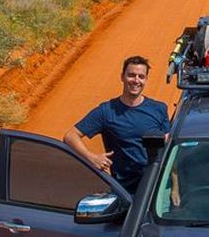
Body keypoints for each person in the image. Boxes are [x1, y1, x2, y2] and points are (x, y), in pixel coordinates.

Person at [65, 55, 171, 192]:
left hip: (157, 187)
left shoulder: (159, 108)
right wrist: (91, 157)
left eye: (141, 76)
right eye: (131, 75)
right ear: (122, 77)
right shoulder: (106, 111)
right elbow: (70, 135)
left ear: (146, 80)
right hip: (124, 190)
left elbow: (168, 148)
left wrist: (174, 188)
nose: (136, 80)